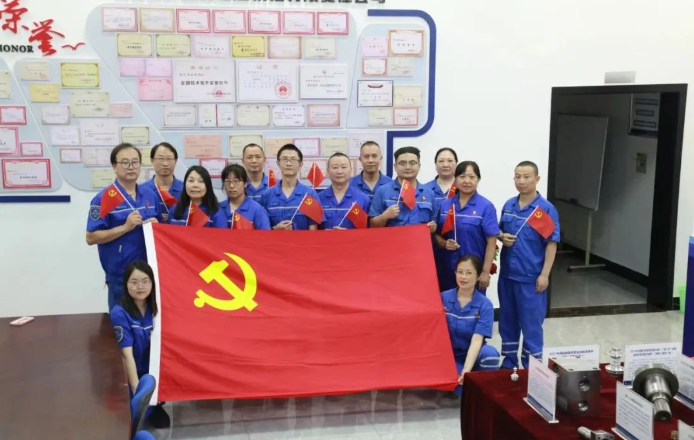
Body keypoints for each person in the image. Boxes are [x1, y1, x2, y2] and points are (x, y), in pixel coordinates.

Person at [498, 161, 560, 369]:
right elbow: (498, 230)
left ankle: (532, 369)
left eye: (526, 177)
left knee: (531, 325)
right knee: (507, 322)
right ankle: (509, 364)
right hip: (507, 276)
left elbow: (551, 243)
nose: (521, 181)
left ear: (537, 179)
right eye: (518, 177)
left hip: (531, 278)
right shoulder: (509, 205)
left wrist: (545, 274)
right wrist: (501, 236)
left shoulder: (545, 209)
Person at [86, 143, 162, 311]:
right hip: (120, 276)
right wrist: (125, 227)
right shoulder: (104, 198)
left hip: (148, 273)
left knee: (149, 321)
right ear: (114, 166)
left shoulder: (150, 195)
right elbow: (91, 237)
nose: (131, 167)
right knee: (121, 322)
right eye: (125, 162)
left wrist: (156, 226)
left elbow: (161, 229)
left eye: (135, 162)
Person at [109, 260, 170, 429]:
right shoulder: (119, 313)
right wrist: (137, 391)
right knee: (130, 423)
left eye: (145, 281)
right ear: (126, 285)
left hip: (152, 372)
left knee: (163, 423)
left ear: (152, 283)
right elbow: (126, 355)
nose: (140, 287)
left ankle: (154, 403)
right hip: (131, 374)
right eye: (134, 282)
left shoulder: (158, 308)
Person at [434, 161, 499, 292]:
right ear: (455, 178)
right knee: (447, 303)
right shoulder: (445, 205)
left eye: (472, 177)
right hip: (446, 270)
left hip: (473, 273)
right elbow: (436, 233)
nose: (467, 181)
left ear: (478, 179)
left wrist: (485, 272)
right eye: (462, 176)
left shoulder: (486, 206)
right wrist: (444, 243)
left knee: (473, 304)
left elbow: (491, 242)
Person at [441, 255, 500, 395]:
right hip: (450, 357)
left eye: (469, 273)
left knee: (490, 355)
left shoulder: (485, 305)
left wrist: (466, 370)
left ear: (478, 276)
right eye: (460, 272)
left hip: (474, 353)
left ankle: (484, 389)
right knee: (459, 388)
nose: (463, 277)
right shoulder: (443, 298)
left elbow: (477, 340)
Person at [369, 146, 437, 230]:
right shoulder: (382, 191)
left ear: (419, 166)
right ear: (395, 166)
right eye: (402, 163)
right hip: (392, 238)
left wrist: (433, 227)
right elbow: (372, 225)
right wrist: (384, 216)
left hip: (419, 238)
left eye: (412, 163)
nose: (407, 167)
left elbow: (433, 222)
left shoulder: (429, 193)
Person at [260, 144, 324, 230]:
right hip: (275, 239)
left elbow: (313, 230)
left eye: (293, 160)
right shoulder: (267, 195)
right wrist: (274, 229)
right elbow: (262, 230)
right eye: (285, 159)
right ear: (278, 163)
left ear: (300, 164)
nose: (288, 163)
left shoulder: (310, 194)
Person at [426, 148, 459, 290]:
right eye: (441, 161)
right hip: (430, 250)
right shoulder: (425, 190)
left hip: (457, 249)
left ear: (456, 164)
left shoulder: (464, 188)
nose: (445, 164)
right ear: (435, 164)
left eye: (450, 161)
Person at [319, 153, 371, 229]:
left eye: (343, 167)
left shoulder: (363, 199)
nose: (339, 171)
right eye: (335, 167)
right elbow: (314, 228)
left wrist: (347, 234)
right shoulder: (319, 198)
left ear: (350, 170)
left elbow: (368, 230)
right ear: (328, 171)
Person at [140, 142, 184, 222]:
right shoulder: (141, 190)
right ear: (152, 160)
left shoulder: (185, 189)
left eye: (169, 159)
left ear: (175, 161)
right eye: (160, 159)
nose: (165, 164)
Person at [219, 164, 271, 230]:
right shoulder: (218, 208)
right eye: (227, 181)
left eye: (236, 181)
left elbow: (265, 235)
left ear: (245, 183)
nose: (231, 185)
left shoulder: (258, 210)